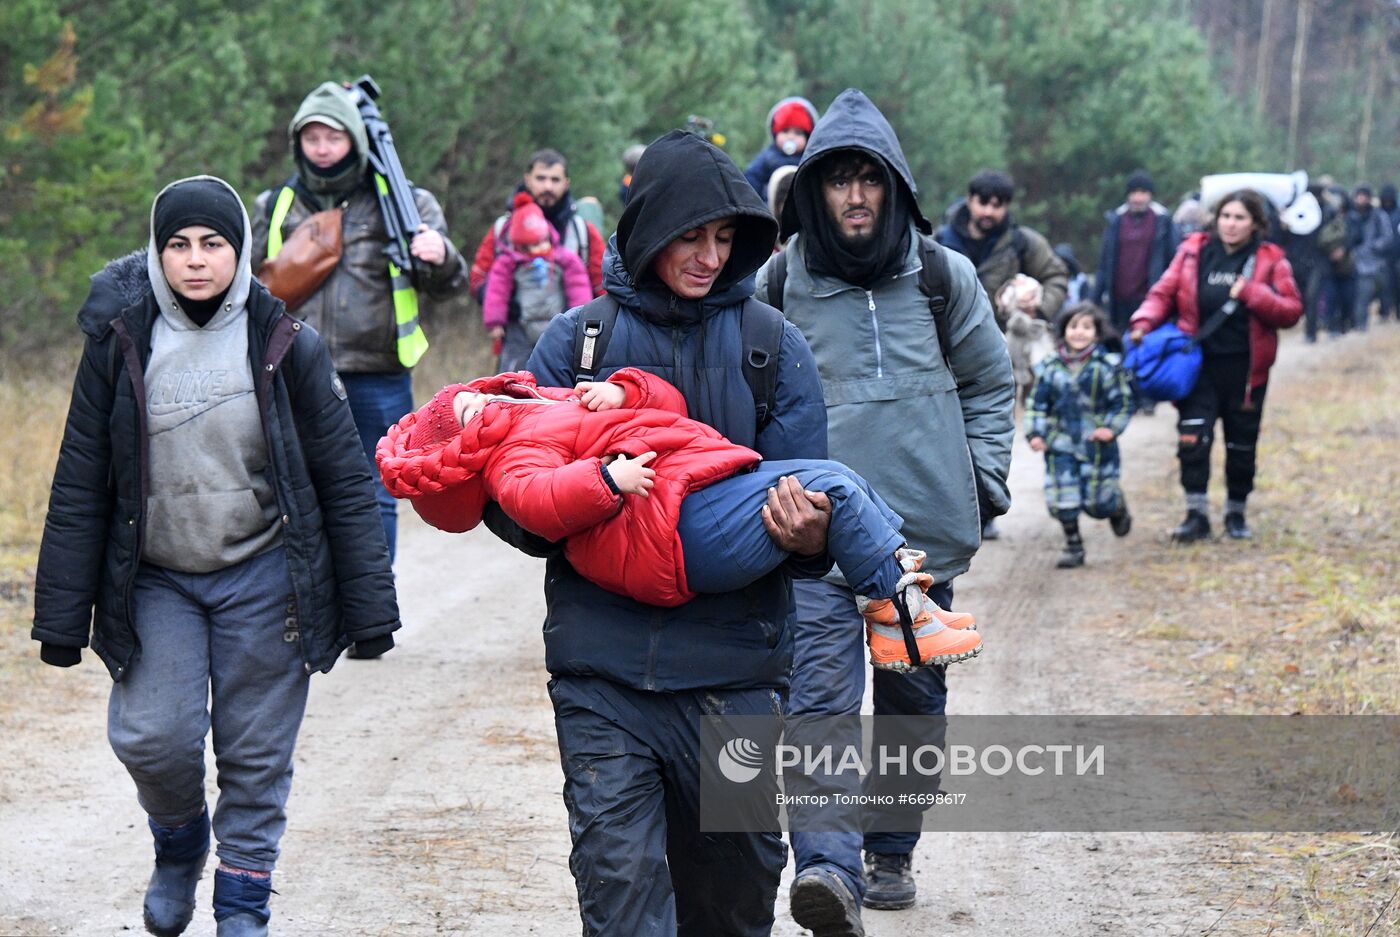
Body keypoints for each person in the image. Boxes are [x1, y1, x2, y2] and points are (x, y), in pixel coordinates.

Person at [478, 129, 831, 936]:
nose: (709, 256)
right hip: (603, 677)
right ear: (646, 232)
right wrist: (587, 496)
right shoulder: (577, 344)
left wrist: (810, 536)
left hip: (737, 674)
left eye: (723, 238)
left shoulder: (773, 348)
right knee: (622, 896)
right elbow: (516, 501)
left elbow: (809, 510)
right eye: (689, 236)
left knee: (733, 903)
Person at [33, 176, 400, 937]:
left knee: (255, 754)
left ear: (239, 251)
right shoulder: (121, 343)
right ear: (156, 253)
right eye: (178, 245)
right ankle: (178, 842)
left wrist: (369, 609)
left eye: (213, 244)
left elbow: (342, 478)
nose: (195, 261)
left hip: (265, 576)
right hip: (159, 579)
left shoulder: (284, 343)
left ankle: (241, 907)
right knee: (152, 737)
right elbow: (80, 482)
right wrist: (62, 619)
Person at [758, 89, 1014, 931]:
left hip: (920, 543)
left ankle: (891, 851)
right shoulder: (778, 281)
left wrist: (981, 480)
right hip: (815, 544)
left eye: (871, 179)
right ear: (814, 192)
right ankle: (830, 869)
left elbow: (988, 381)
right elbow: (746, 399)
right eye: (839, 181)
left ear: (896, 186)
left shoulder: (944, 277)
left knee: (911, 701)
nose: (856, 196)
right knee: (820, 702)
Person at [380, 367, 981, 665]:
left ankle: (905, 602)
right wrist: (605, 479)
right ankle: (899, 624)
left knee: (845, 481)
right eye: (468, 406)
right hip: (671, 528)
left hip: (684, 506)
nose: (483, 396)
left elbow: (669, 409)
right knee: (834, 485)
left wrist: (624, 390)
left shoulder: (544, 406)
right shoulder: (514, 449)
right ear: (469, 437)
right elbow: (536, 501)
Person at [250, 80, 468, 565]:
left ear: (355, 139)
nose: (323, 149)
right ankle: (313, 616)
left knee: (376, 490)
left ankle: (371, 615)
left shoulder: (406, 203)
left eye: (334, 137)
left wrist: (440, 256)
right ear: (297, 143)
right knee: (298, 491)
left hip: (379, 373)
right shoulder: (276, 204)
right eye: (312, 138)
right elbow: (249, 284)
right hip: (295, 371)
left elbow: (451, 285)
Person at [1130, 189, 1302, 542]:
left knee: (1241, 444)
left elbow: (1291, 311)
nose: (1231, 224)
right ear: (1215, 218)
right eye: (1225, 216)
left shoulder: (1271, 259)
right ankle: (1196, 514)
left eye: (1240, 218)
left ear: (1255, 223)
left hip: (1245, 371)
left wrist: (1254, 293)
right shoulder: (1193, 251)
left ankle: (1236, 513)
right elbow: (1163, 292)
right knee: (1193, 437)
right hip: (1197, 367)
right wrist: (1143, 323)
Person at [936, 168, 1063, 540]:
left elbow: (1056, 276)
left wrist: (1037, 306)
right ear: (970, 199)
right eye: (984, 202)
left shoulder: (1023, 243)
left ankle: (985, 509)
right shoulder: (939, 240)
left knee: (989, 431)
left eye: (999, 204)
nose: (990, 211)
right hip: (945, 353)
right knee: (946, 433)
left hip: (1000, 356)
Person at [1025, 303, 1135, 568]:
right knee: (1064, 497)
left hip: (1097, 446)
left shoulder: (1106, 367)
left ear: (1096, 334)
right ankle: (1074, 545)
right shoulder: (1049, 368)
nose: (1079, 332)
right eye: (1074, 326)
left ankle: (1116, 506)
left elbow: (1122, 403)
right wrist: (1036, 433)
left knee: (1099, 502)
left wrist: (1110, 428)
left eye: (1087, 327)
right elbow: (1037, 404)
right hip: (1060, 444)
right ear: (1064, 331)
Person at [469, 148, 607, 301]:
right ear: (527, 180)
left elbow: (603, 287)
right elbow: (477, 279)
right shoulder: (503, 229)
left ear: (566, 183)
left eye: (555, 180)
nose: (548, 186)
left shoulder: (582, 232)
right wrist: (502, 302)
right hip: (517, 324)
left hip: (570, 324)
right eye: (541, 178)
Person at [480, 193, 593, 370]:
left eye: (544, 241)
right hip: (520, 329)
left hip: (557, 325)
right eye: (533, 245)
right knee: (515, 368)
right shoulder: (508, 262)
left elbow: (578, 286)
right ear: (520, 246)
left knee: (557, 367)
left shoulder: (563, 258)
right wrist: (495, 321)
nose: (541, 248)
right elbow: (496, 291)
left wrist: (582, 318)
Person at [1093, 170, 1179, 336]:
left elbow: (1174, 262)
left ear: (1150, 195)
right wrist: (1094, 300)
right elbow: (1104, 264)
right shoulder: (1115, 221)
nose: (1138, 198)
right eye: (1134, 193)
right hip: (1118, 302)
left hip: (1150, 299)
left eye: (1143, 192)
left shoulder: (1163, 221)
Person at [744, 96, 819, 195]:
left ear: (808, 138)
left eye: (798, 133)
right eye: (785, 131)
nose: (791, 137)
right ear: (775, 134)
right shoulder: (768, 157)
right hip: (770, 207)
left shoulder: (811, 159)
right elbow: (752, 178)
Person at [1346, 184, 1395, 331]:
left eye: (1363, 196)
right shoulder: (1350, 216)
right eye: (1358, 196)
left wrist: (1373, 247)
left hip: (1377, 263)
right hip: (1357, 263)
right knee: (1360, 296)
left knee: (1383, 294)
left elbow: (1387, 237)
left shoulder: (1378, 216)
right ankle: (1359, 325)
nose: (1361, 200)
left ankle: (1380, 319)